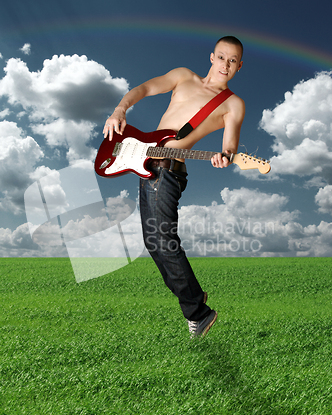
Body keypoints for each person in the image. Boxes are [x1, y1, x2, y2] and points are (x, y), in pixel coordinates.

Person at [103, 36, 245, 338]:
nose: (226, 65)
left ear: (239, 66)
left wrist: (226, 158)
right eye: (222, 57)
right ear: (212, 57)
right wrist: (120, 110)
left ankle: (198, 312)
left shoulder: (232, 104)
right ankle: (194, 297)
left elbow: (230, 147)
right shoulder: (183, 76)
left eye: (232, 61)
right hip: (147, 166)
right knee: (154, 243)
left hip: (170, 172)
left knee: (162, 241)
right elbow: (144, 88)